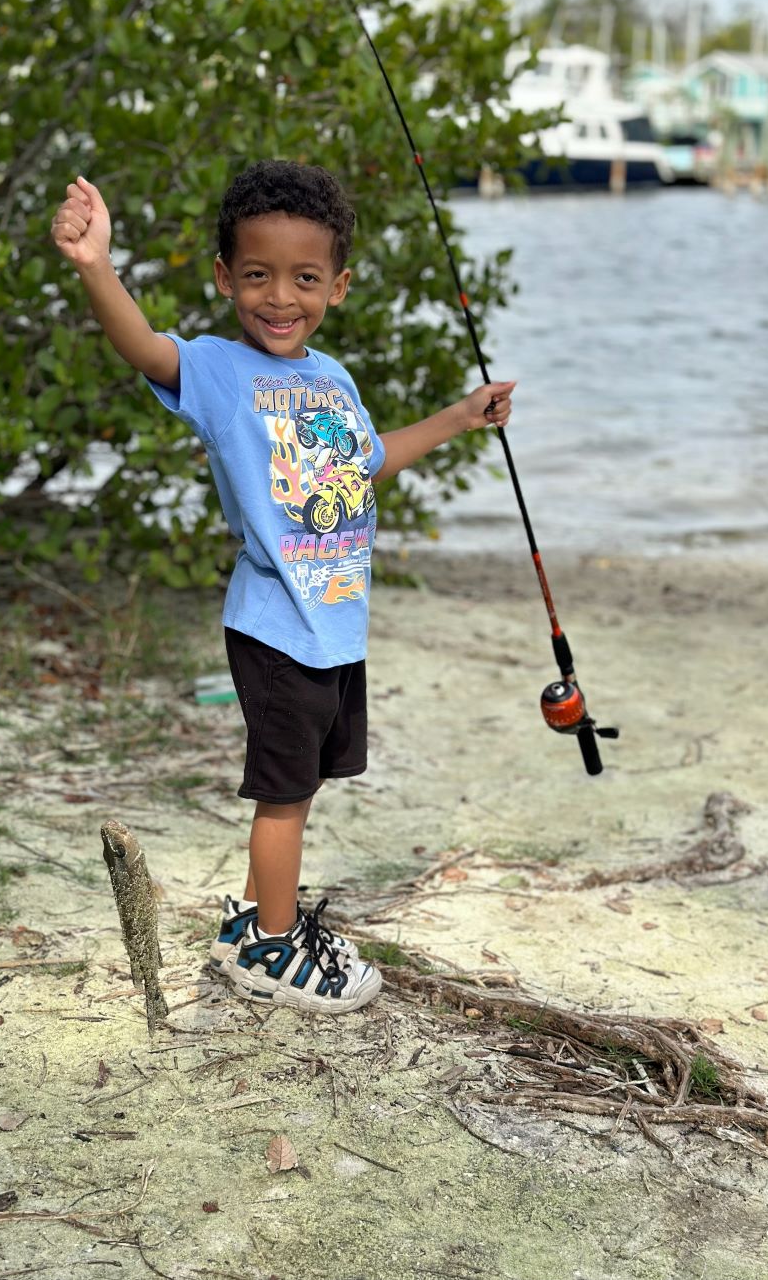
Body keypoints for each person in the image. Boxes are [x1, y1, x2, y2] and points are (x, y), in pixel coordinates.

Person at [50, 160, 514, 1016]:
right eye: (256, 275)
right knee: (285, 793)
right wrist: (96, 268)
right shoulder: (222, 373)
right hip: (275, 625)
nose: (279, 297)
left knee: (304, 783)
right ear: (225, 277)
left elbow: (366, 466)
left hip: (334, 624)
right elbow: (144, 345)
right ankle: (269, 944)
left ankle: (257, 918)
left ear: (337, 286)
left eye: (304, 278)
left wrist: (460, 415)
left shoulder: (331, 379)